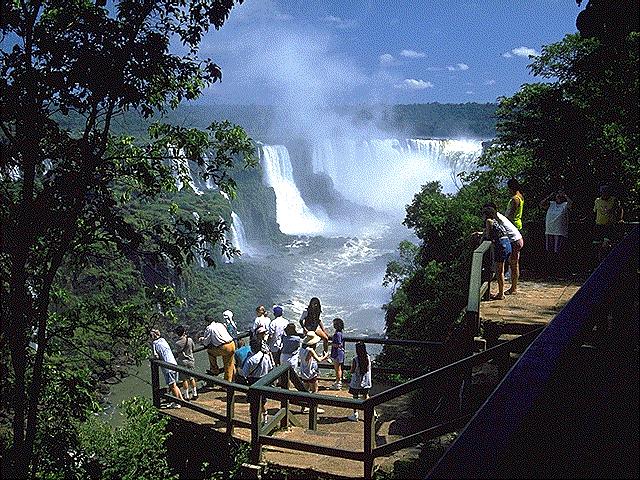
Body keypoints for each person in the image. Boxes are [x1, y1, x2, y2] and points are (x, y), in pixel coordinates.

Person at [481, 203, 512, 300]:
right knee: (501, 270)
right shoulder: (497, 220)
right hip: (507, 243)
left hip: (500, 245)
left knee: (500, 272)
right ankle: (500, 291)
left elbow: (488, 236)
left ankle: (501, 293)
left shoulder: (489, 221)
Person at [242, 337, 275, 425]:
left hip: (253, 381)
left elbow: (244, 373)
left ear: (252, 347)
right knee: (263, 401)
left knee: (253, 402)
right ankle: (265, 418)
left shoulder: (250, 359)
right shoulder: (266, 356)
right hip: (264, 380)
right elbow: (270, 368)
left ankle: (254, 420)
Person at [540, 189, 573, 276]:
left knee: (558, 252)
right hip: (549, 230)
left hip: (560, 232)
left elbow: (571, 204)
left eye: (560, 195)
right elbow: (541, 204)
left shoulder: (565, 205)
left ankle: (559, 271)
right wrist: (549, 196)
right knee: (549, 251)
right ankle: (549, 271)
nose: (558, 196)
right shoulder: (551, 204)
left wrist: (565, 195)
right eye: (557, 195)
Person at [493, 207, 523, 295]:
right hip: (517, 238)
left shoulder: (496, 218)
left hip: (514, 241)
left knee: (514, 265)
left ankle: (513, 288)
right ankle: (513, 287)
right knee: (514, 265)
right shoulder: (500, 216)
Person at [150, 329, 184, 408]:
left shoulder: (155, 343)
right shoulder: (163, 340)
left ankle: (177, 403)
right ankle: (181, 400)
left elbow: (156, 356)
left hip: (168, 367)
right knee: (175, 384)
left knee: (172, 386)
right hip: (174, 364)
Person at [299, 331, 330, 413]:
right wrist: (326, 356)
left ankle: (304, 407)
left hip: (304, 372)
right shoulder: (310, 350)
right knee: (314, 390)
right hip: (311, 373)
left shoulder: (302, 349)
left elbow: (309, 359)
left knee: (305, 391)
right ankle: (314, 408)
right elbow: (319, 360)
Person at [199, 314, 236, 382]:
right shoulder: (220, 324)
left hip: (224, 347)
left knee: (210, 352)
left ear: (206, 322)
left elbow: (206, 342)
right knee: (229, 365)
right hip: (232, 344)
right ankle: (229, 383)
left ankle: (215, 369)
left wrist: (202, 340)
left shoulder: (209, 328)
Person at [347, 341, 375, 421]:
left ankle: (355, 414)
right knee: (366, 397)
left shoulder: (355, 359)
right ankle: (373, 413)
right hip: (366, 382)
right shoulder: (368, 358)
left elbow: (352, 371)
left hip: (356, 382)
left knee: (355, 398)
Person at [173, 325, 198, 400]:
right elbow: (193, 348)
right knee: (191, 378)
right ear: (184, 332)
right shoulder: (189, 340)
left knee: (184, 379)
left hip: (182, 362)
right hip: (190, 360)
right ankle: (195, 394)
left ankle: (186, 396)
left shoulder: (177, 343)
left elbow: (177, 352)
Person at [329, 318, 346, 390]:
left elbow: (339, 344)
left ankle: (338, 383)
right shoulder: (340, 333)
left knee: (337, 369)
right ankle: (338, 381)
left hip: (337, 353)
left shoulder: (337, 334)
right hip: (339, 353)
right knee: (338, 368)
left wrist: (330, 344)